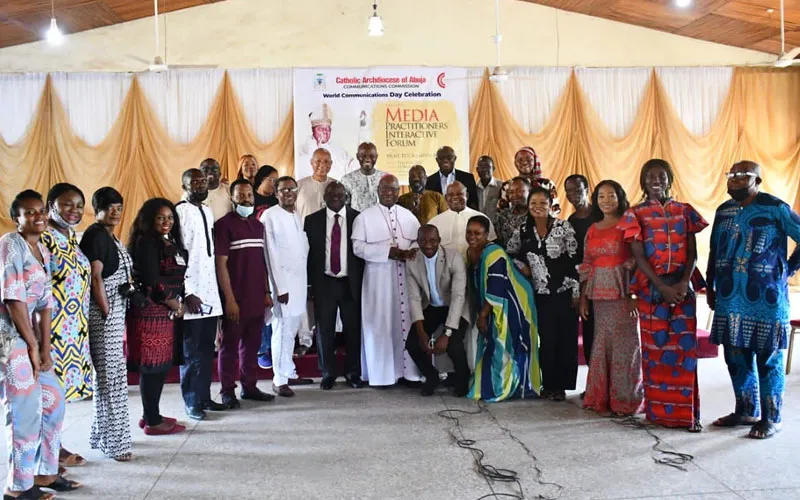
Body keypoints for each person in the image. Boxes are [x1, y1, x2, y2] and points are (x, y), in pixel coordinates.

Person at [707, 161, 800, 439]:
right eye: (731, 175)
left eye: (742, 176)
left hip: (767, 298)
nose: (734, 180)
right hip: (729, 297)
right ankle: (746, 410)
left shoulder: (775, 207)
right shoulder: (724, 211)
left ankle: (772, 418)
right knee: (735, 356)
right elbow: (714, 249)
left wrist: (788, 269)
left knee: (768, 357)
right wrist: (711, 285)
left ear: (757, 181)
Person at [1, 190, 81, 500]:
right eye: (29, 212)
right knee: (24, 413)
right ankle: (17, 488)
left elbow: (45, 305)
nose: (38, 217)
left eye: (41, 211)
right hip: (8, 338)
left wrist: (44, 349)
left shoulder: (42, 251)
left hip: (30, 338)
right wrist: (32, 347)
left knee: (53, 400)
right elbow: (14, 299)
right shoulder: (10, 245)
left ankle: (45, 471)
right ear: (16, 218)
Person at [620, 159, 707, 432]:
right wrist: (662, 286)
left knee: (685, 352)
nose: (655, 180)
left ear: (669, 179)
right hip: (651, 290)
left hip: (682, 289)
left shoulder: (685, 211)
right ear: (643, 181)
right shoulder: (636, 214)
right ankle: (658, 415)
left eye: (661, 176)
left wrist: (682, 283)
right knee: (655, 352)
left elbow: (692, 252)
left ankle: (688, 416)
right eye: (650, 176)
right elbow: (638, 255)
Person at [508, 187, 579, 401]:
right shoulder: (523, 230)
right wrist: (522, 267)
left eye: (543, 203)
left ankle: (562, 386)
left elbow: (577, 260)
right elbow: (510, 253)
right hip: (540, 294)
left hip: (565, 292)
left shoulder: (564, 227)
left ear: (550, 206)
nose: (538, 207)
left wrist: (577, 291)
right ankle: (548, 384)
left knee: (565, 340)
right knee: (546, 340)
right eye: (533, 203)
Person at [579, 181, 643, 416]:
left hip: (623, 292)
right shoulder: (593, 228)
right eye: (601, 196)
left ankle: (626, 399)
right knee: (602, 344)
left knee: (625, 346)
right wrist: (583, 297)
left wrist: (634, 294)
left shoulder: (628, 223)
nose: (606, 200)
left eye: (611, 195)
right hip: (598, 294)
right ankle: (601, 397)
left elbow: (639, 260)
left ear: (620, 197)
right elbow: (586, 263)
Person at [40, 184, 92, 468]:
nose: (74, 210)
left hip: (73, 331)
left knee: (58, 397)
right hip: (52, 330)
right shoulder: (44, 239)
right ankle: (48, 455)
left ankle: (53, 448)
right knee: (47, 396)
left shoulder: (71, 237)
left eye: (79, 205)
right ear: (51, 206)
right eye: (67, 204)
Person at [80, 187, 133, 461]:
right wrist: (106, 311)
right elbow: (96, 277)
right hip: (105, 315)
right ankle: (115, 444)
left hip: (115, 312)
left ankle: (103, 436)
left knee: (110, 378)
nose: (115, 212)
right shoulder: (96, 235)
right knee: (110, 380)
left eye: (118, 207)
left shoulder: (110, 235)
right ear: (97, 209)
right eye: (109, 207)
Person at [352, 174, 421, 386]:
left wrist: (410, 252)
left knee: (406, 322)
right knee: (380, 323)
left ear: (398, 192)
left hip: (405, 277)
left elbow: (419, 242)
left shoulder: (408, 216)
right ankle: (382, 375)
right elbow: (357, 247)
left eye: (393, 189)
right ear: (378, 191)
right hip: (378, 279)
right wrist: (387, 252)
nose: (389, 193)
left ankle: (409, 373)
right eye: (385, 189)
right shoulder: (364, 217)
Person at [126, 198, 188, 436]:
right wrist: (173, 302)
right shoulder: (146, 242)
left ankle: (150, 414)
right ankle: (152, 421)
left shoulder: (167, 240)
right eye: (160, 217)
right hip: (150, 312)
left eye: (170, 217)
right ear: (149, 219)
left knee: (159, 366)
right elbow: (152, 280)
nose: (166, 222)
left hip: (164, 312)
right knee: (152, 367)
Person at [466, 216, 540, 402]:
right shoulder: (472, 252)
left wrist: (483, 315)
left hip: (514, 305)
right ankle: (493, 384)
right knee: (493, 344)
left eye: (477, 233)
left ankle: (506, 388)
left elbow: (496, 288)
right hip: (495, 304)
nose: (472, 236)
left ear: (487, 235)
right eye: (469, 232)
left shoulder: (494, 253)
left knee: (505, 345)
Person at [215, 180, 275, 407]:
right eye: (240, 195)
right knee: (229, 347)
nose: (246, 200)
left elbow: (262, 262)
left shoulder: (258, 226)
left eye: (249, 195)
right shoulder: (223, 226)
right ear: (232, 198)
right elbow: (221, 265)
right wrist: (229, 300)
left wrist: (266, 291)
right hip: (236, 298)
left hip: (256, 297)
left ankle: (249, 387)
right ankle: (227, 391)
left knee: (252, 346)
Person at [175, 169, 226, 420]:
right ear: (184, 185)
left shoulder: (207, 210)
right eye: (193, 182)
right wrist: (187, 292)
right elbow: (178, 253)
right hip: (192, 291)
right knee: (191, 350)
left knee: (207, 348)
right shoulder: (179, 211)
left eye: (202, 181)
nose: (199, 185)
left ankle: (204, 396)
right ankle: (192, 401)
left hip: (209, 290)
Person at [305, 182, 365, 390]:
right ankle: (327, 373)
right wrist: (309, 285)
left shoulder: (358, 218)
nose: (336, 197)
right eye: (331, 194)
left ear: (346, 196)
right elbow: (309, 256)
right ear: (325, 196)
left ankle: (353, 372)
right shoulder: (312, 220)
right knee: (324, 330)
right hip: (325, 282)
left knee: (353, 329)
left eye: (340, 194)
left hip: (351, 283)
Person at [405, 225, 470, 397]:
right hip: (433, 306)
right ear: (417, 241)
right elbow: (414, 298)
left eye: (432, 240)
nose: (428, 245)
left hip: (456, 306)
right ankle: (431, 376)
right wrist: (421, 333)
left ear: (439, 241)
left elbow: (458, 296)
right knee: (412, 344)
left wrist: (446, 334)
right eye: (423, 241)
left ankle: (463, 379)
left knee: (454, 345)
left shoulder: (453, 257)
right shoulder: (412, 260)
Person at [262, 176, 311, 397]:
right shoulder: (270, 216)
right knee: (281, 331)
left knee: (291, 331)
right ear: (276, 193)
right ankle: (279, 380)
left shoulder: (295, 215)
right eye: (283, 190)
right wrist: (280, 288)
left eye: (292, 189)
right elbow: (270, 254)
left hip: (298, 283)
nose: (289, 193)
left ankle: (289, 371)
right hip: (283, 286)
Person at [565, 174, 597, 373]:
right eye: (569, 191)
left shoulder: (599, 214)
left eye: (578, 189)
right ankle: (594, 381)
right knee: (588, 332)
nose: (574, 194)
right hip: (583, 281)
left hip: (604, 279)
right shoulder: (571, 221)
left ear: (587, 189)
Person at [429, 182, 496, 258]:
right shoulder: (434, 222)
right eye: (451, 195)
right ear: (446, 198)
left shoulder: (482, 218)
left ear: (466, 195)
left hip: (477, 263)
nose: (455, 197)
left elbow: (492, 246)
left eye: (459, 194)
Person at [297, 104, 355, 180]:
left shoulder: (339, 151)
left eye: (328, 129)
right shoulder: (302, 151)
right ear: (313, 130)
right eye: (321, 129)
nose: (325, 132)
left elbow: (353, 168)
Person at [424, 146, 479, 210]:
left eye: (449, 157)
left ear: (455, 158)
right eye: (441, 158)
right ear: (437, 160)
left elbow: (473, 203)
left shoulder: (467, 178)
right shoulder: (429, 181)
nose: (445, 160)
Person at [512, 146, 560, 215]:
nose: (525, 162)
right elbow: (502, 212)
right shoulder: (508, 185)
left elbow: (555, 210)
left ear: (535, 161)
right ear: (515, 163)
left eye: (529, 159)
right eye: (520, 160)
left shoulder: (547, 184)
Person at [341, 142, 387, 212]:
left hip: (380, 218)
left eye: (371, 156)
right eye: (363, 155)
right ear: (357, 156)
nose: (367, 159)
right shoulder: (347, 179)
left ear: (376, 156)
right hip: (357, 218)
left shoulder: (385, 178)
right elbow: (345, 206)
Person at [297, 149, 337, 223]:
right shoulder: (299, 185)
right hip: (305, 229)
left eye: (326, 161)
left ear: (331, 163)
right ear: (311, 162)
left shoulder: (337, 186)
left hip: (329, 229)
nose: (322, 165)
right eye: (318, 161)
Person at [495, 177, 531, 248]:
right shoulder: (502, 216)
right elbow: (498, 242)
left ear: (529, 192)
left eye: (519, 191)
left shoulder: (537, 216)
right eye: (511, 192)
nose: (515, 195)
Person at [475, 155, 502, 225]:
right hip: (480, 227)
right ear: (477, 170)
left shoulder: (501, 186)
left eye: (487, 167)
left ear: (493, 169)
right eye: (481, 167)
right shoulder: (474, 188)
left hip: (497, 226)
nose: (484, 169)